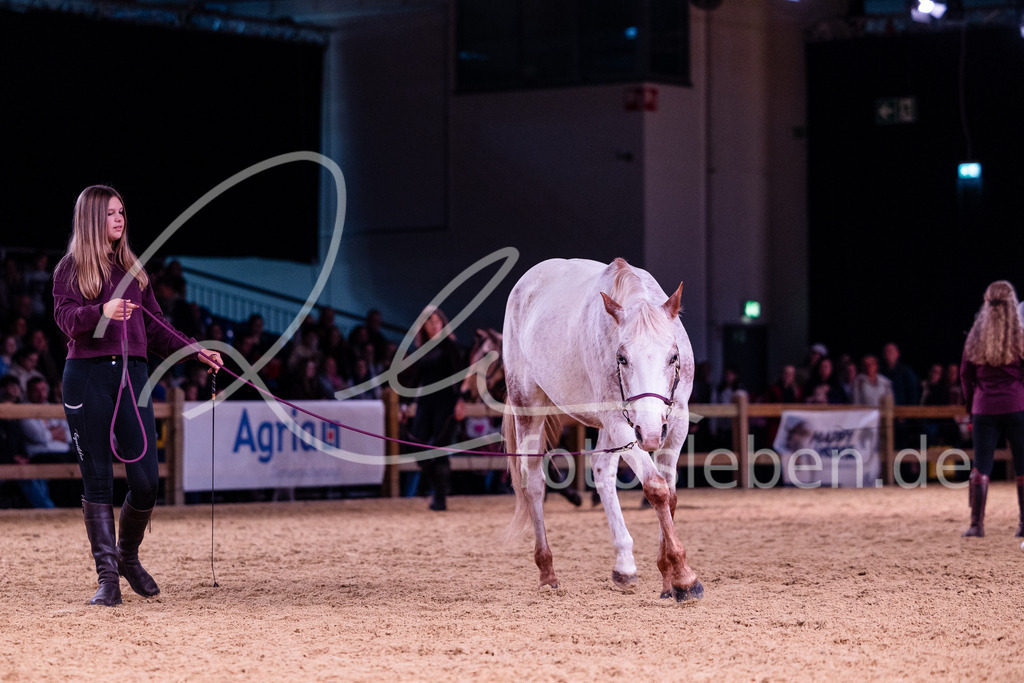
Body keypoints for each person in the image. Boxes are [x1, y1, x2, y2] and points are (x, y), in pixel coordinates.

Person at [52, 185, 222, 607]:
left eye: (122, 212)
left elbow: (157, 328)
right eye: (110, 213)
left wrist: (196, 351)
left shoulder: (134, 271)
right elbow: (66, 320)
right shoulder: (70, 269)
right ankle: (107, 577)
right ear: (92, 218)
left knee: (146, 482)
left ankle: (127, 555)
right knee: (98, 479)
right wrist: (101, 312)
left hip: (134, 375)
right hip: (87, 376)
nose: (119, 219)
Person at [959, 281, 1024, 538]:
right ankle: (1023, 525)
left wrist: (970, 404)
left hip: (984, 407)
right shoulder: (1020, 335)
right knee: (1023, 466)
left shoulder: (976, 335)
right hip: (1017, 406)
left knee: (981, 467)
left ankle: (977, 525)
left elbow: (965, 374)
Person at [398, 306, 466, 511]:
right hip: (425, 403)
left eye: (437, 321)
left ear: (442, 324)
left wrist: (461, 400)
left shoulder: (450, 347)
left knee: (439, 451)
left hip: (446, 403)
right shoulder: (422, 350)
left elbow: (461, 375)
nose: (433, 325)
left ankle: (440, 497)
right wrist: (405, 403)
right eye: (429, 322)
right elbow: (415, 379)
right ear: (424, 326)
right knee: (417, 448)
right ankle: (439, 488)